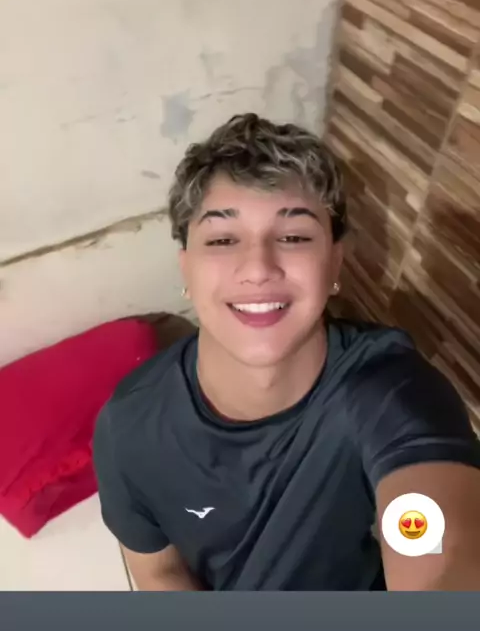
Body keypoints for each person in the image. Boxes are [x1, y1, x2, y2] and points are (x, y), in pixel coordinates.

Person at [93, 113, 480, 591]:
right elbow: (159, 571)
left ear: (334, 264)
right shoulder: (128, 425)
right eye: (223, 239)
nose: (258, 268)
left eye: (294, 237)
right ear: (186, 269)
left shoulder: (391, 396)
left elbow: (439, 555)